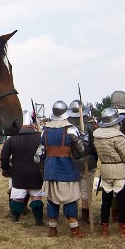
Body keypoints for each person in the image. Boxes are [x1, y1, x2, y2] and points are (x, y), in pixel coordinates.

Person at [36, 100, 86, 238]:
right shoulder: (71, 129)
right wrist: (84, 138)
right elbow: (81, 151)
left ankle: (52, 229)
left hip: (50, 168)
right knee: (70, 199)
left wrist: (43, 167)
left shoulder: (45, 130)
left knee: (52, 200)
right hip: (67, 168)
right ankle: (74, 229)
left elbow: (39, 153)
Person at [92, 107, 125, 237]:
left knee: (106, 201)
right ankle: (122, 228)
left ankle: (104, 228)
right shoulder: (118, 136)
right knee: (121, 201)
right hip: (118, 169)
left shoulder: (97, 136)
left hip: (105, 169)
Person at [0, 112, 45, 225]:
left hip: (18, 173)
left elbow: (4, 156)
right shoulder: (40, 137)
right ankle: (38, 220)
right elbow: (44, 154)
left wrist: (6, 169)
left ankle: (15, 217)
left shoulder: (12, 138)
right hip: (36, 172)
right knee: (36, 197)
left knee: (17, 198)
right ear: (31, 123)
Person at [67, 100, 96, 226]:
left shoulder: (68, 127)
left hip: (77, 161)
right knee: (85, 190)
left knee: (75, 189)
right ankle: (83, 214)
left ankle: (82, 214)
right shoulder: (89, 126)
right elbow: (94, 145)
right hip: (85, 161)